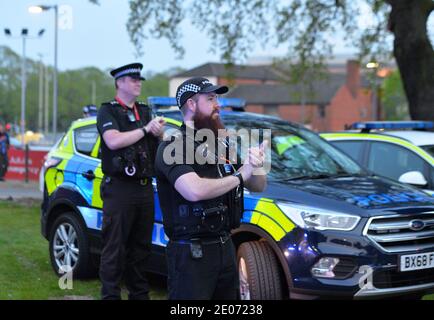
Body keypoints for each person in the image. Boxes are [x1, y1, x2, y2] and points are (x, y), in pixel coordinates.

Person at [155, 77, 268, 299]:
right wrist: (240, 176)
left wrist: (255, 165)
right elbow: (194, 190)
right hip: (190, 254)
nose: (218, 104)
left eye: (217, 98)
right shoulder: (173, 146)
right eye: (210, 98)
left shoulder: (220, 143)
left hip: (224, 246)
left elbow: (258, 186)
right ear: (191, 104)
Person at [96, 62, 165, 300]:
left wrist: (159, 133)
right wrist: (146, 130)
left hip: (144, 189)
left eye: (139, 80)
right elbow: (113, 141)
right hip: (120, 190)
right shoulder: (109, 111)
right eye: (134, 80)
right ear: (120, 82)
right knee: (114, 249)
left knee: (140, 250)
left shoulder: (144, 111)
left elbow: (154, 144)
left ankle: (139, 296)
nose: (138, 84)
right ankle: (110, 296)